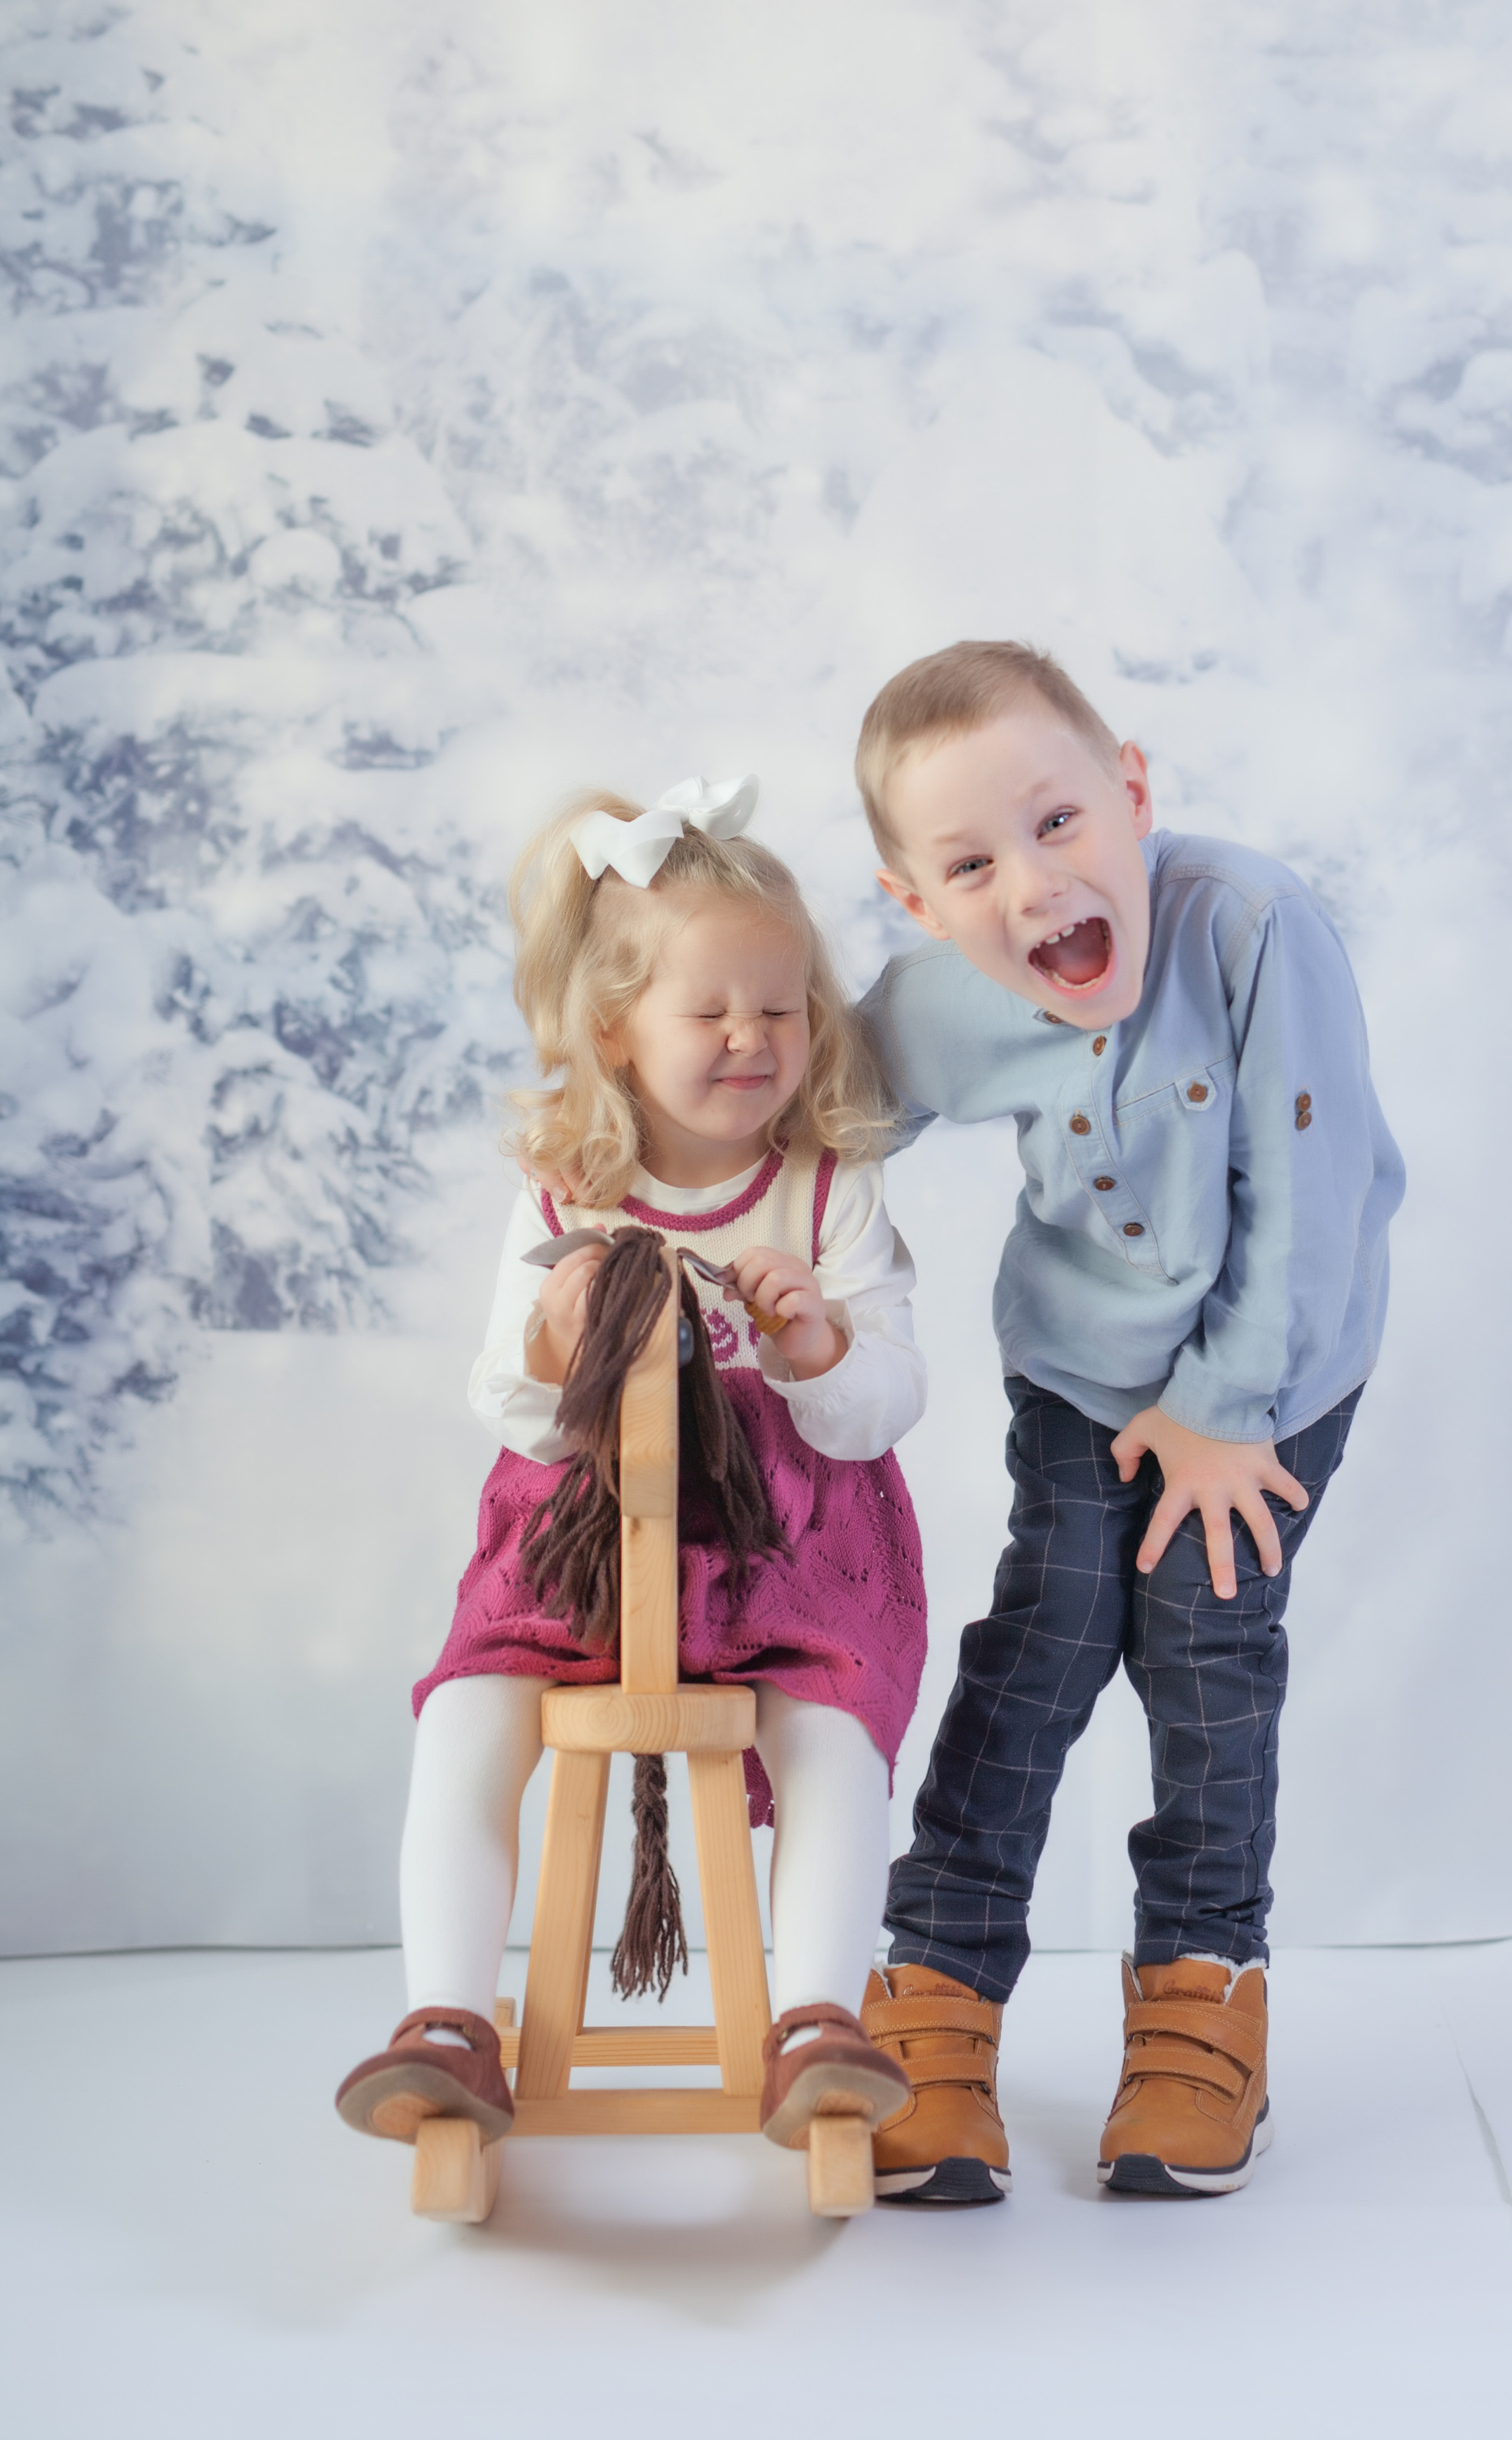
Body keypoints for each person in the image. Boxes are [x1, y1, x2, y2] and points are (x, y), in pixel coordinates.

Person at [851, 645, 1405, 2203]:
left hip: (1272, 1368)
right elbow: (821, 1115)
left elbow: (1308, 1198)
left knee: (1202, 1643)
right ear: (917, 903)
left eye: (1058, 823)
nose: (1031, 885)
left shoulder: (1248, 929)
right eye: (968, 863)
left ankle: (1199, 1999)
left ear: (1131, 792)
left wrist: (1231, 1412)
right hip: (1085, 1368)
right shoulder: (946, 998)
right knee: (1042, 1641)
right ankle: (936, 1996)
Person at [336, 776, 924, 2158]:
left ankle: (817, 2025)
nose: (750, 1038)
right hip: (580, 1548)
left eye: (779, 1011)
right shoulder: (562, 1193)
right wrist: (554, 1352)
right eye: (708, 1011)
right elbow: (503, 1401)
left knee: (831, 1738)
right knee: (465, 1720)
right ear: (613, 1028)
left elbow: (886, 1407)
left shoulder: (827, 1189)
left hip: (792, 1553)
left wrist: (819, 1348)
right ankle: (445, 2022)